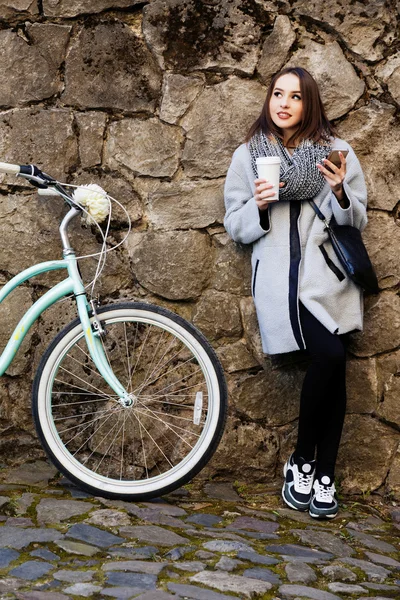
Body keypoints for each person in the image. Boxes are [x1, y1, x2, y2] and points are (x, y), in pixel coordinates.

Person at [223, 66, 368, 519]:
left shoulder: (336, 152)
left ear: (310, 104)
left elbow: (355, 220)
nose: (283, 103)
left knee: (334, 362)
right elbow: (235, 225)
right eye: (277, 94)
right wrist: (260, 205)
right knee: (331, 359)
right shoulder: (248, 156)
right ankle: (307, 460)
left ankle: (319, 471)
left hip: (327, 280)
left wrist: (339, 190)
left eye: (296, 97)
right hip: (279, 282)